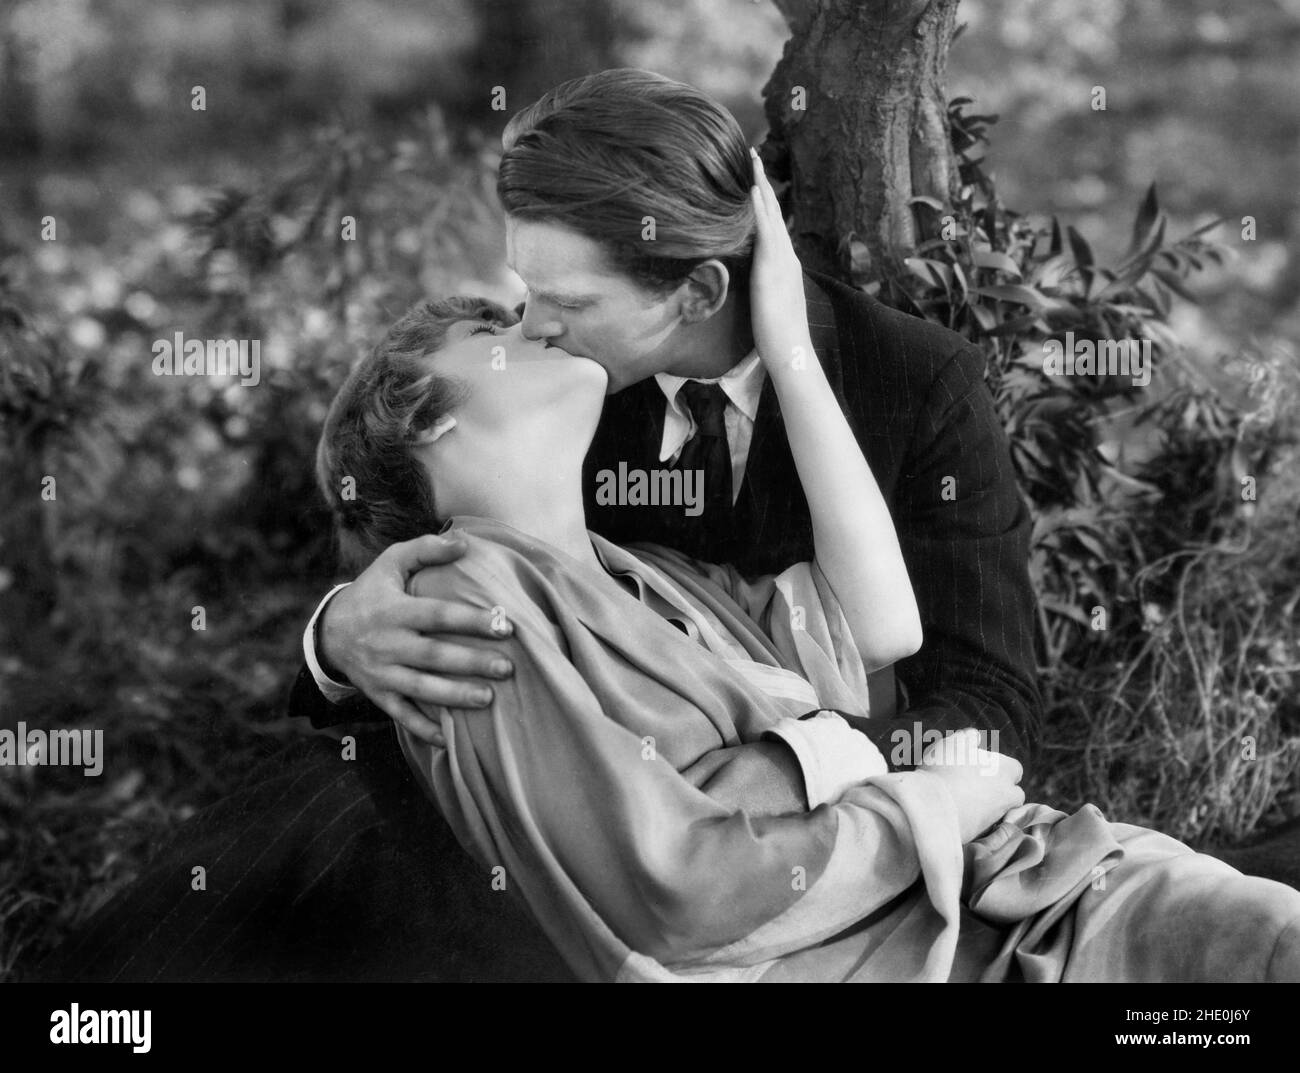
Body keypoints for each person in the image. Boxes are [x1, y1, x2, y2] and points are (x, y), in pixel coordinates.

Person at [303, 156, 1300, 982]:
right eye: (501, 325)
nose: (543, 323)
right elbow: (676, 887)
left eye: (556, 301)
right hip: (919, 932)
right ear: (427, 417)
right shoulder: (459, 598)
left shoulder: (644, 572)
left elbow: (880, 628)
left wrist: (788, 344)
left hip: (1007, 886)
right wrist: (900, 794)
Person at [289, 68, 1042, 777]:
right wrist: (336, 633)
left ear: (698, 292)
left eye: (573, 302)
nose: (531, 326)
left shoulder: (916, 381)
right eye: (527, 287)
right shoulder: (548, 396)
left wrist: (785, 784)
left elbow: (985, 695)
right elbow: (414, 553)